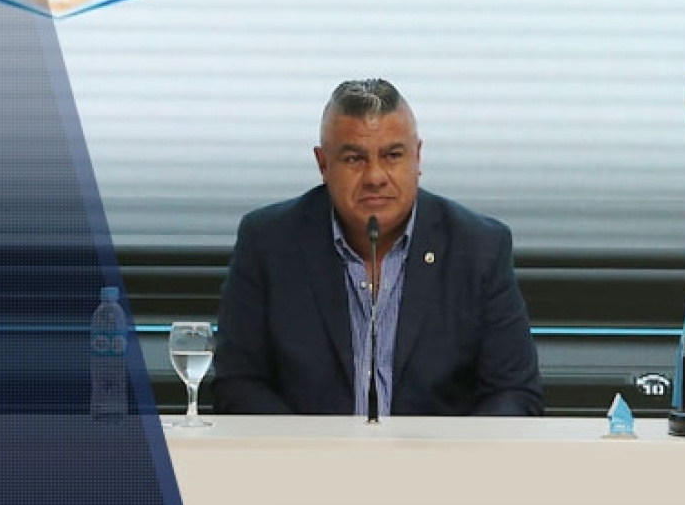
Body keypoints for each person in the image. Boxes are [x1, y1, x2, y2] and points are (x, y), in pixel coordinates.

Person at [211, 78, 544, 416]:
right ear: (323, 164)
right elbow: (237, 384)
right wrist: (307, 447)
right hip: (306, 450)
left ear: (417, 157)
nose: (375, 176)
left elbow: (514, 392)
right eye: (354, 159)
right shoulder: (268, 243)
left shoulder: (479, 247)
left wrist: (452, 451)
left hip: (436, 450)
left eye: (392, 156)